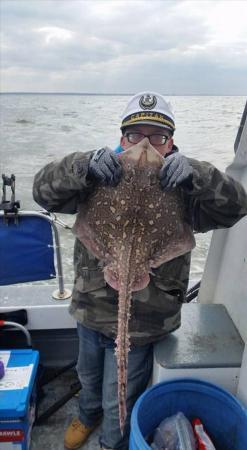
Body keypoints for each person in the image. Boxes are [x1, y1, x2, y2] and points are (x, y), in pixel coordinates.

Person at [32, 92, 247, 450]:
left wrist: (198, 175)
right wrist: (84, 165)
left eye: (157, 137)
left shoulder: (185, 189)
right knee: (88, 376)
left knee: (122, 392)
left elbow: (236, 206)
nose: (145, 145)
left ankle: (111, 440)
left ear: (171, 143)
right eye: (135, 136)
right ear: (121, 139)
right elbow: (42, 191)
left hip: (146, 322)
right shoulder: (96, 178)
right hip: (90, 309)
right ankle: (86, 415)